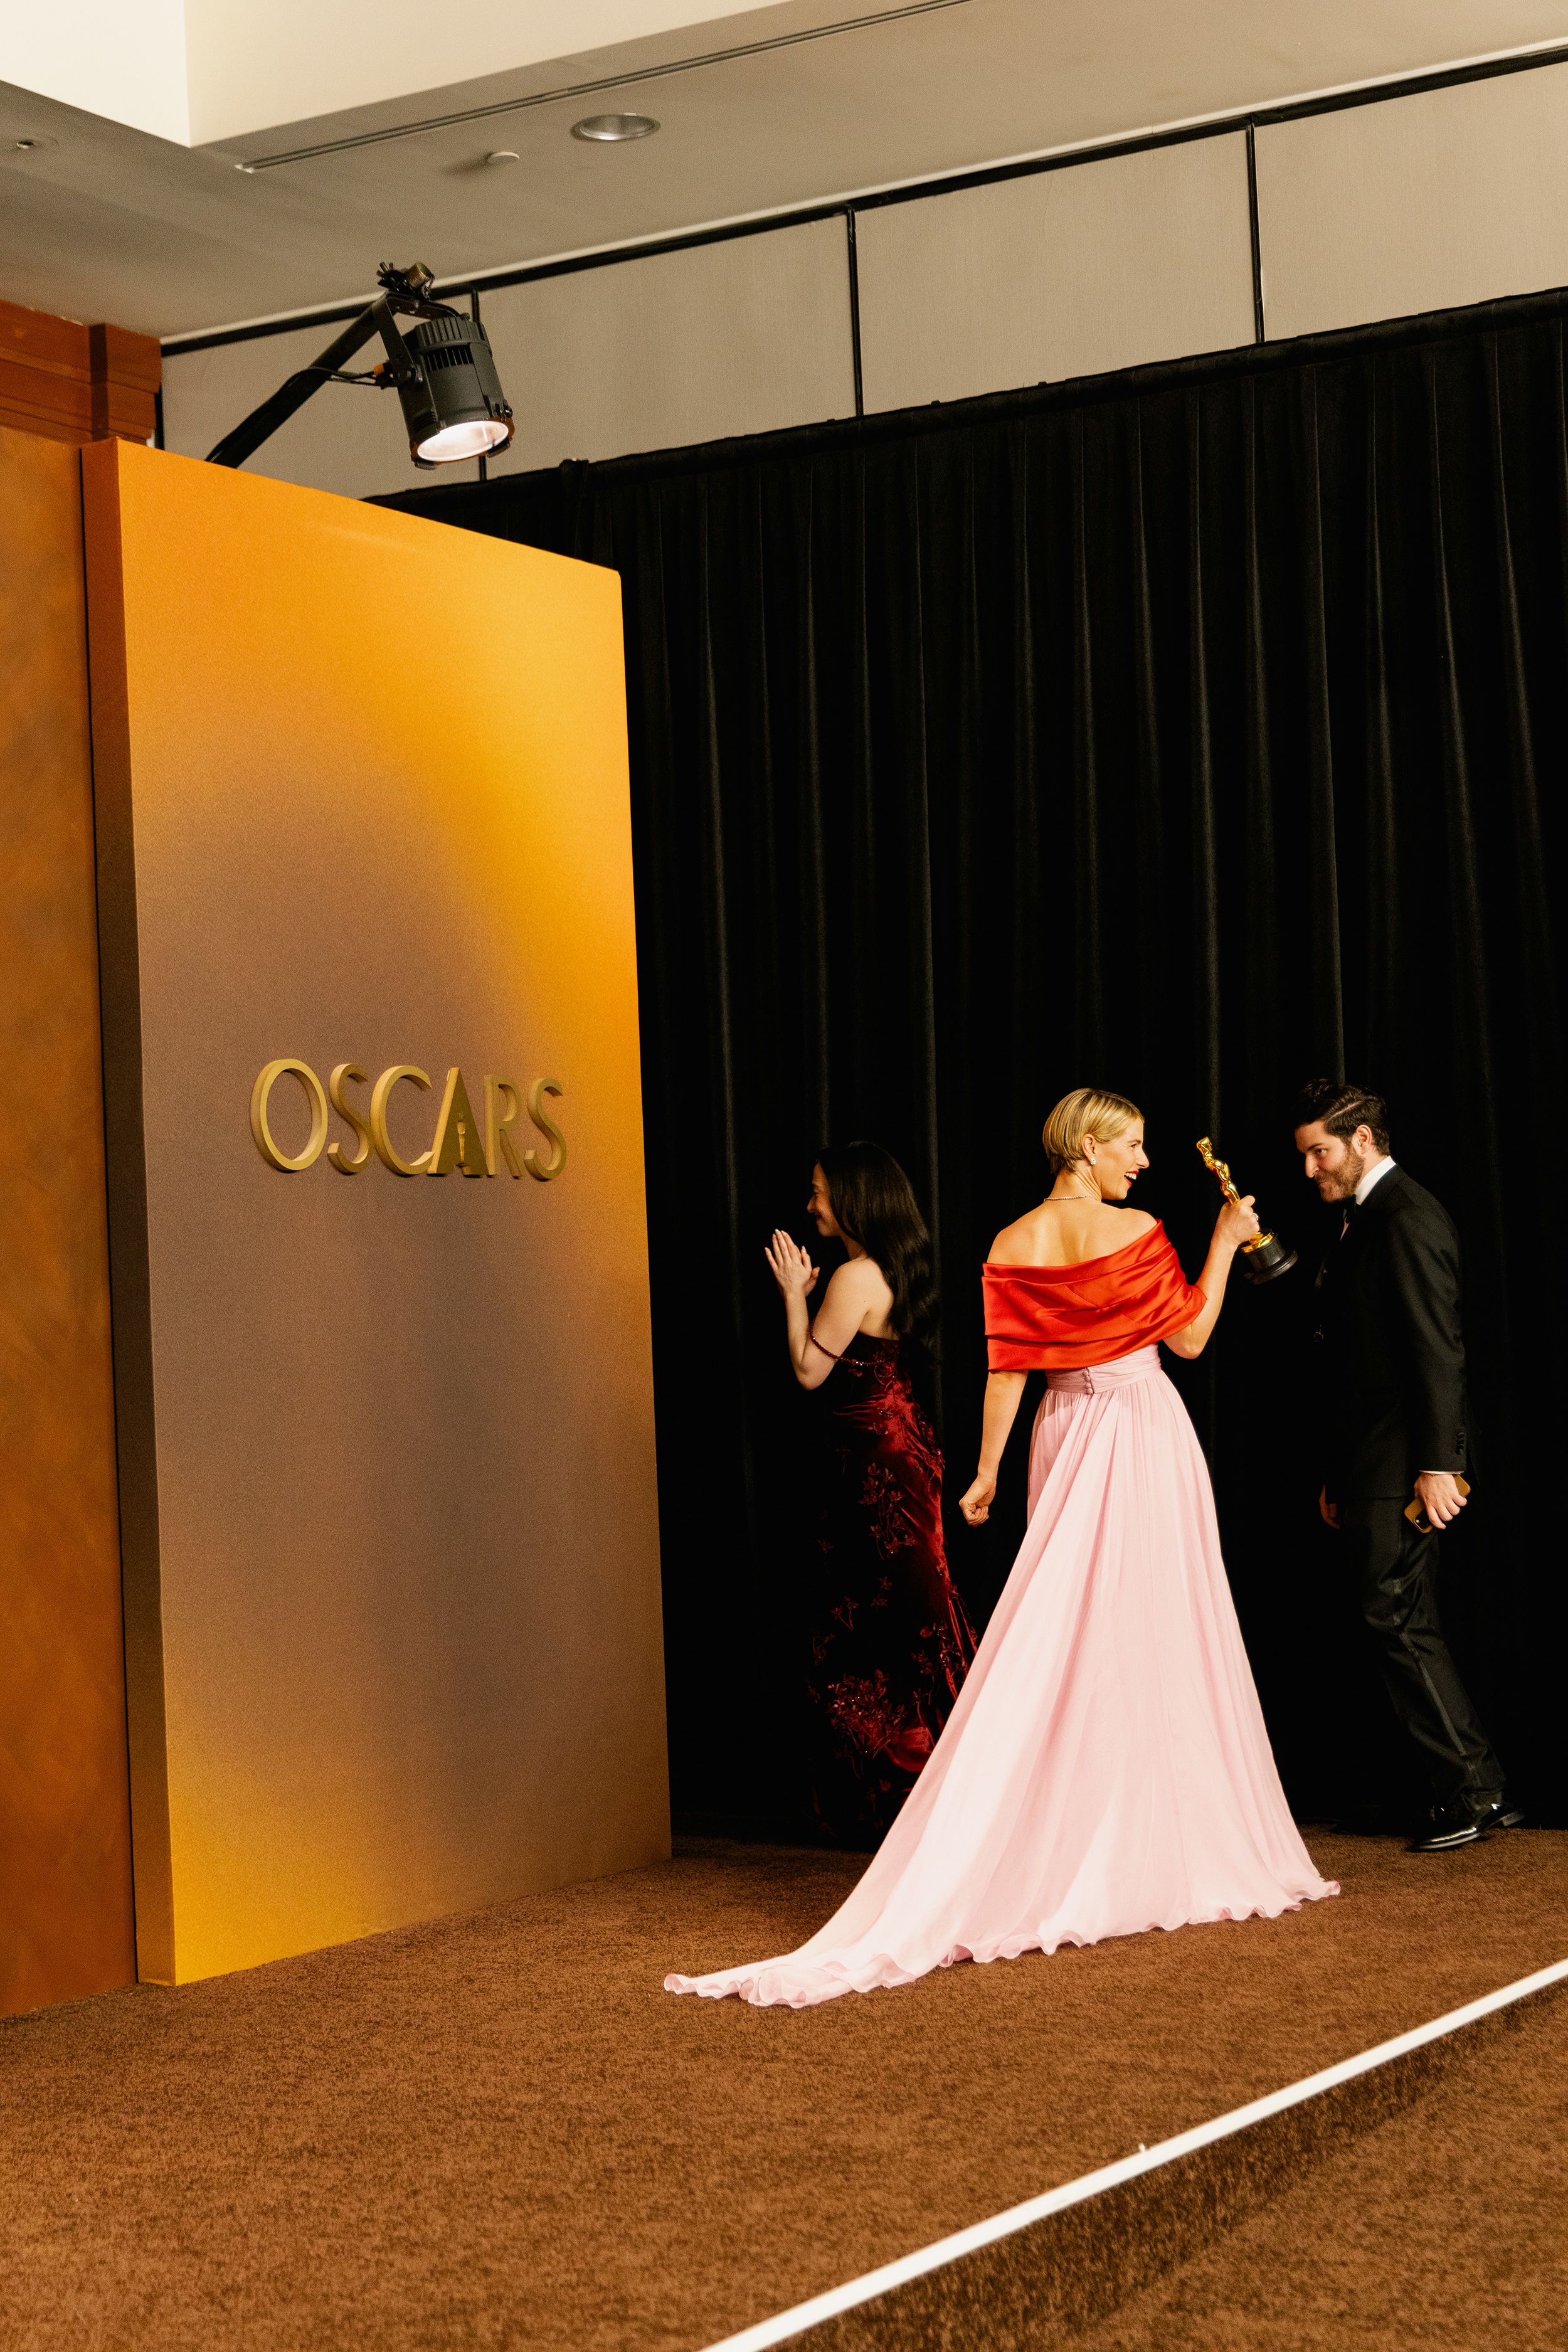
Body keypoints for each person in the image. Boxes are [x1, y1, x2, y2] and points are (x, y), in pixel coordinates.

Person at [666, 1090, 1335, 2008]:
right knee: (1151, 1633)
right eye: (1132, 1145)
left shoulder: (1014, 1242)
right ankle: (1145, 1839)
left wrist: (985, 1473)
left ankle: (1086, 1834)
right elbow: (1188, 1336)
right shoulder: (1139, 1228)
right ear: (1089, 1148)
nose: (1142, 1162)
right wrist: (1222, 1242)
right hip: (1140, 1427)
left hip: (1065, 1431)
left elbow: (1009, 1371)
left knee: (1066, 1642)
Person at [1293, 1080, 1517, 1853]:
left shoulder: (1406, 1216)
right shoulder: (1368, 1217)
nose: (1310, 1170)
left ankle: (1474, 1792)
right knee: (1395, 1617)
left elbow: (1436, 1349)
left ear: (1362, 1141)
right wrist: (1339, 1471)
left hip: (1405, 1462)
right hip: (1371, 1460)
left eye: (1319, 1152)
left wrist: (1437, 1465)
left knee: (1394, 1615)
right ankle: (1451, 1787)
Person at [764, 1142, 976, 1845]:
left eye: (819, 1191)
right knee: (908, 1611)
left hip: (874, 1467)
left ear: (853, 1198)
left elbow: (806, 1373)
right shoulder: (892, 1266)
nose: (810, 1204)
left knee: (875, 1620)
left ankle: (904, 1791)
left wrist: (794, 1294)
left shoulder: (854, 1276)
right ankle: (936, 1781)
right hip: (903, 1446)